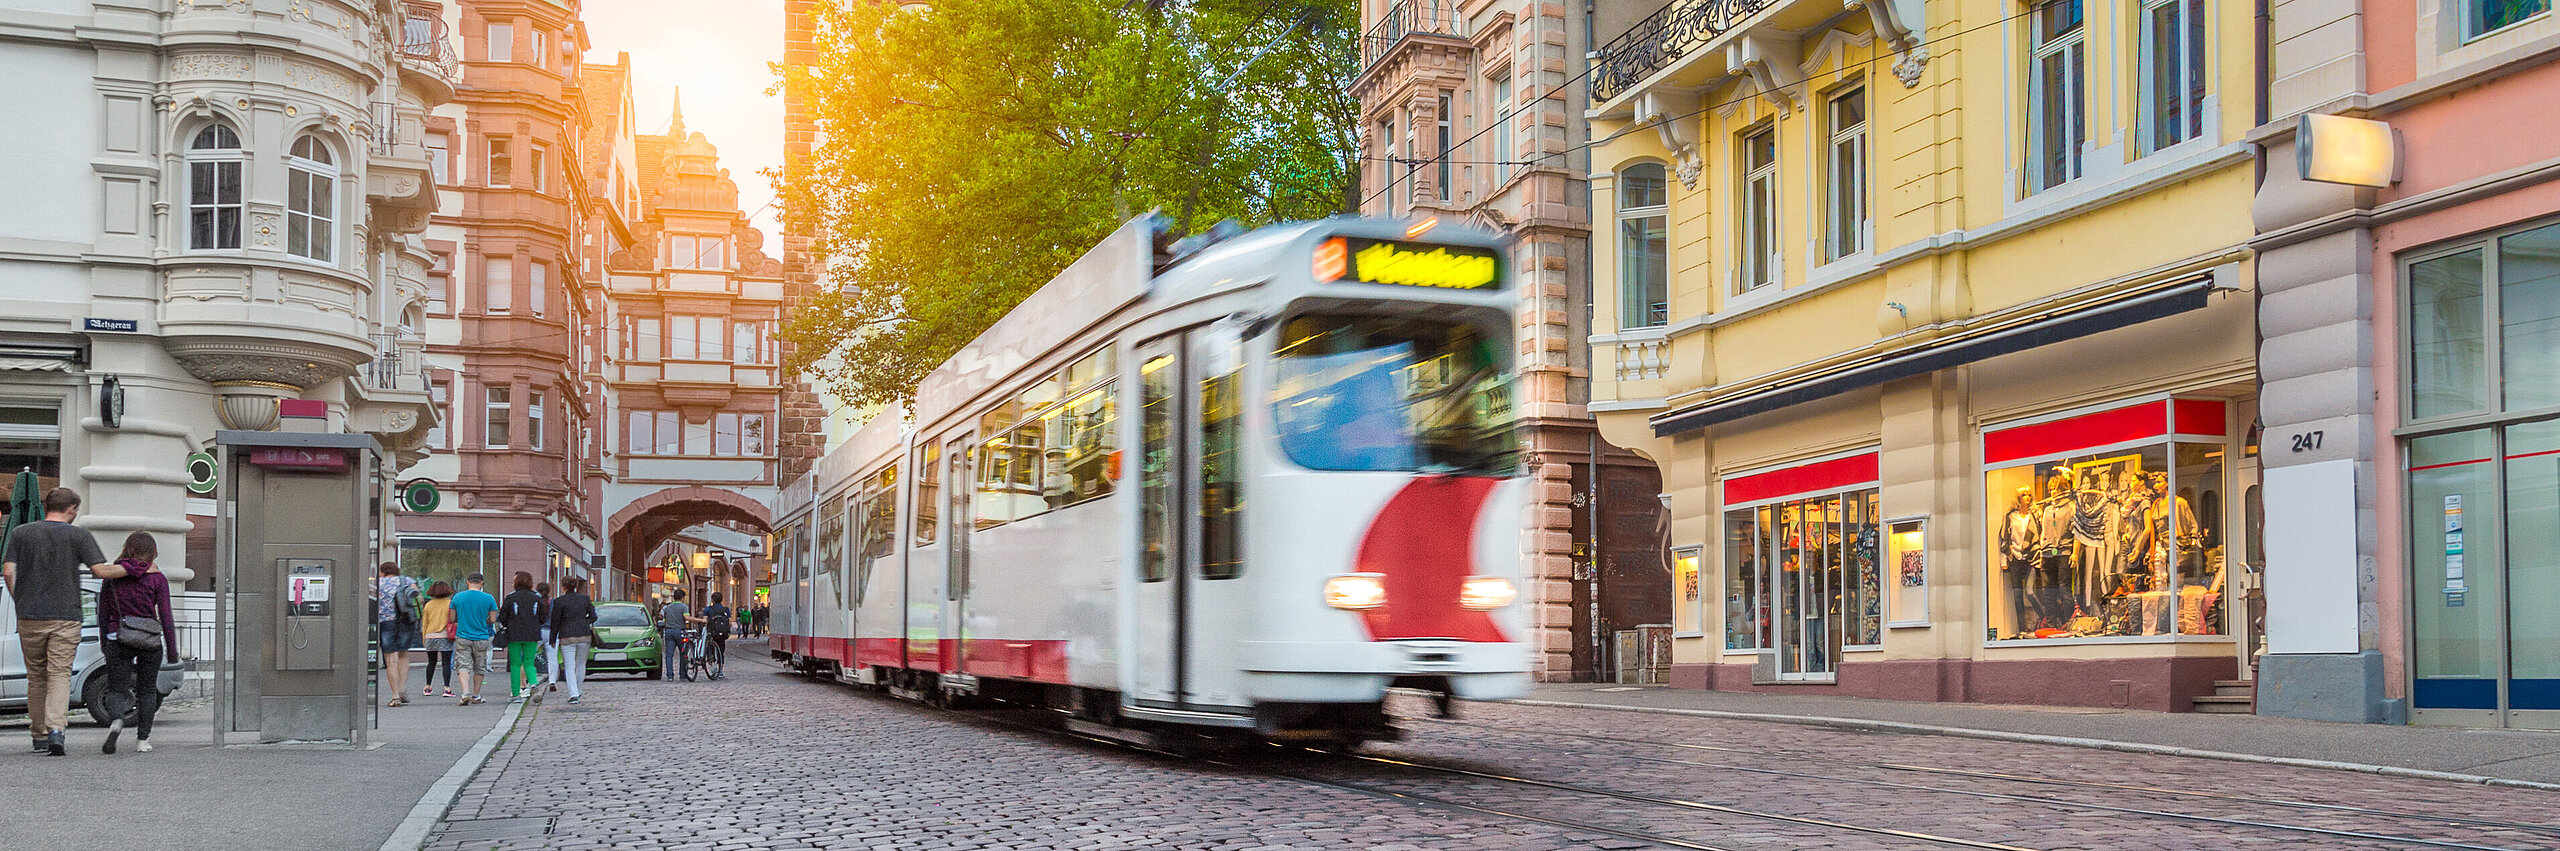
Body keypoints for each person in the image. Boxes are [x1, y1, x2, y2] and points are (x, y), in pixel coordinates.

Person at [2, 488, 113, 756]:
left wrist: (21, 599)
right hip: (66, 614)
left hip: (29, 616)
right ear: (72, 508)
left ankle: (39, 734)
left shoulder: (20, 533)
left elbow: (7, 571)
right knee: (60, 673)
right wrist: (137, 567)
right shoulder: (79, 535)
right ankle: (56, 730)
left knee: (37, 675)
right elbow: (99, 570)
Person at [96, 531, 176, 755]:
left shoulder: (112, 576)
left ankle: (116, 721)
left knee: (117, 690)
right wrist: (172, 651)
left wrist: (105, 640)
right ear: (152, 552)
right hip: (149, 640)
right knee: (148, 690)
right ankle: (143, 740)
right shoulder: (157, 578)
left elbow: (102, 612)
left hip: (117, 636)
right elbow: (167, 616)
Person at [375, 563, 422, 707]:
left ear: (382, 572)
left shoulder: (377, 583)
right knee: (403, 654)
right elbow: (418, 599)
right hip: (406, 621)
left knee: (390, 659)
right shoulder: (406, 581)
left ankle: (395, 696)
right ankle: (402, 689)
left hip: (386, 622)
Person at [448, 574, 499, 705]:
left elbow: (452, 618)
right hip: (481, 636)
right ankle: (476, 695)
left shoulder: (457, 597)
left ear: (467, 582)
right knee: (479, 667)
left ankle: (465, 692)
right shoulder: (489, 598)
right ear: (482, 583)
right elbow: (493, 619)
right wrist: (483, 620)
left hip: (463, 635)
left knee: (463, 665)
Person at [547, 576, 597, 703]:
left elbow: (555, 621)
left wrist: (552, 638)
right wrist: (584, 622)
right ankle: (578, 690)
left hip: (567, 635)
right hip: (584, 634)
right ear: (575, 586)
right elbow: (594, 616)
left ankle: (573, 694)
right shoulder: (585, 599)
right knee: (581, 664)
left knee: (569, 666)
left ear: (563, 587)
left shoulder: (559, 601)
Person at [498, 572, 547, 703]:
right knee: (529, 662)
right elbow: (543, 617)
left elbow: (502, 617)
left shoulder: (511, 597)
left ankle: (515, 694)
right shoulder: (536, 598)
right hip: (532, 634)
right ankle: (534, 683)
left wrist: (509, 623)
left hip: (514, 634)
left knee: (515, 663)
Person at [419, 581, 457, 698]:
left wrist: (424, 638)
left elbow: (424, 623)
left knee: (431, 662)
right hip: (445, 635)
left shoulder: (428, 605)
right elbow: (453, 619)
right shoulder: (450, 603)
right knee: (446, 662)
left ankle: (428, 686)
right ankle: (446, 687)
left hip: (430, 635)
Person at [656, 589, 691, 681]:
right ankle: (682, 674)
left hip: (668, 631)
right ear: (683, 597)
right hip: (680, 631)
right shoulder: (684, 607)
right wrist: (699, 620)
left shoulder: (667, 607)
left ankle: (670, 676)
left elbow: (661, 616)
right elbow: (686, 617)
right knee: (683, 653)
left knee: (669, 654)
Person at [698, 592, 732, 680]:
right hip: (722, 634)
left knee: (710, 649)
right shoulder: (726, 609)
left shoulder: (708, 609)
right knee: (721, 651)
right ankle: (720, 671)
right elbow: (730, 622)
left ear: (712, 600)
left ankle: (712, 666)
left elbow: (704, 620)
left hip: (711, 633)